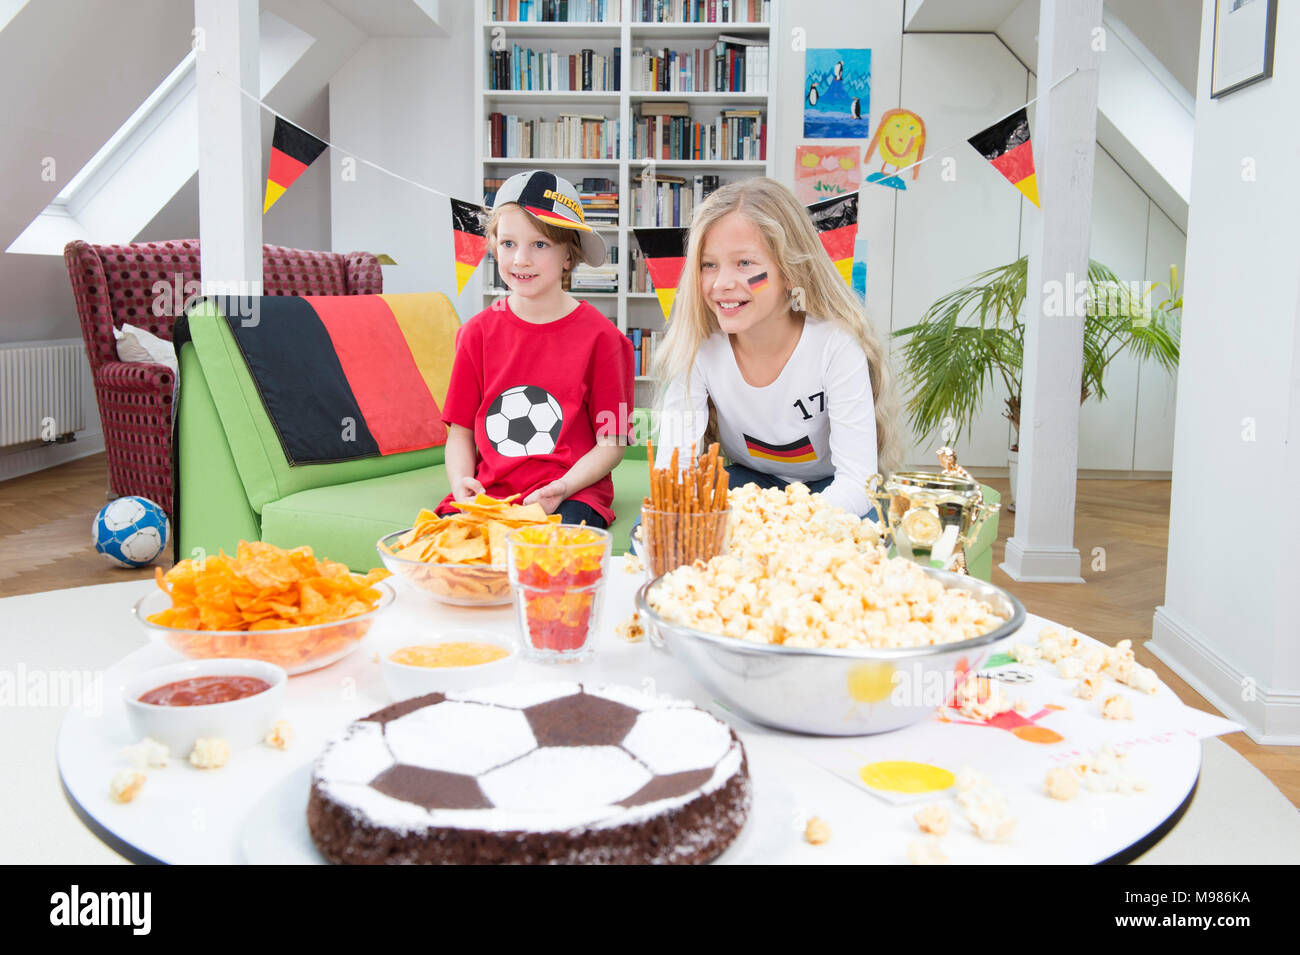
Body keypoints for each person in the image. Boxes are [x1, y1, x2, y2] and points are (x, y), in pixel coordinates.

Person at [651, 176, 901, 518]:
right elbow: (674, 473)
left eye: (745, 263)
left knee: (869, 535)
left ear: (789, 271)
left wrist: (783, 525)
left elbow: (857, 481)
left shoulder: (836, 347)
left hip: (832, 488)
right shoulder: (698, 349)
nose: (722, 283)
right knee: (654, 525)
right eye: (709, 265)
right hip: (745, 484)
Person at [439, 170, 634, 527]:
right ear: (494, 246)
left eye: (539, 244)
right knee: (446, 555)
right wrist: (460, 483)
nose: (520, 260)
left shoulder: (605, 339)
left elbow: (613, 442)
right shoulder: (475, 334)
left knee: (560, 558)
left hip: (573, 491)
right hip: (492, 492)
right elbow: (460, 432)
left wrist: (563, 486)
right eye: (509, 243)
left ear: (568, 257)